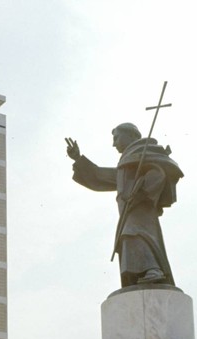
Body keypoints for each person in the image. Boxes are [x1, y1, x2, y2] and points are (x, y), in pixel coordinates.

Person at [65, 123, 183, 288]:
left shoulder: (144, 153)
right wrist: (78, 158)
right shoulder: (127, 162)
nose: (114, 144)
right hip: (128, 210)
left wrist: (142, 192)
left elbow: (159, 172)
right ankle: (140, 273)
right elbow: (100, 175)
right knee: (128, 237)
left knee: (133, 234)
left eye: (117, 138)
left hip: (141, 207)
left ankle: (153, 270)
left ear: (132, 136)